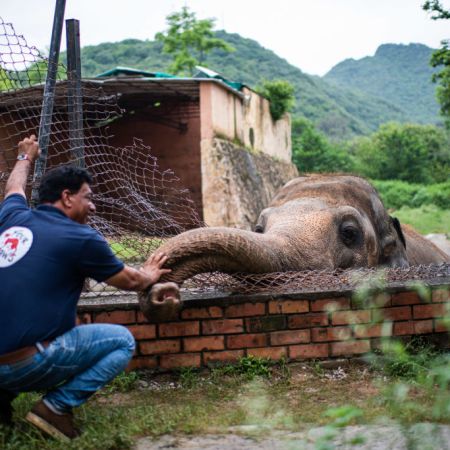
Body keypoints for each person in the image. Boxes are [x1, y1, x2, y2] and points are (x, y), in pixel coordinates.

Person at [0, 135, 171, 441]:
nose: (92, 206)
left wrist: (26, 157)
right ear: (67, 197)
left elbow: (14, 188)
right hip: (25, 362)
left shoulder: (12, 218)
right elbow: (130, 281)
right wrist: (148, 273)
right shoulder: (80, 238)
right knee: (120, 341)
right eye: (88, 197)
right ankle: (54, 408)